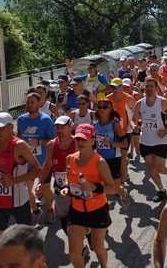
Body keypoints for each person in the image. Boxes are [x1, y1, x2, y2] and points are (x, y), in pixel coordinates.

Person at [0, 112, 42, 268]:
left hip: (19, 203)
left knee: (27, 246)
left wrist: (14, 181)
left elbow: (37, 170)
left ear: (10, 127)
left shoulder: (19, 145)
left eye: (0, 129)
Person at [59, 123, 115, 268]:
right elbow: (68, 177)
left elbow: (112, 188)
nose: (80, 142)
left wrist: (94, 187)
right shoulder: (70, 159)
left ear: (93, 140)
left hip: (97, 209)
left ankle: (104, 265)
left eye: (84, 139)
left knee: (98, 248)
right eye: (78, 139)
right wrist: (66, 187)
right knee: (73, 252)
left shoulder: (99, 162)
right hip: (76, 209)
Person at [132, 77, 167, 202]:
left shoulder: (162, 102)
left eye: (151, 87)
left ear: (156, 88)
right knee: (151, 167)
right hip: (146, 140)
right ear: (144, 88)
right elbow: (133, 118)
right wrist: (134, 126)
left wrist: (166, 130)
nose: (149, 89)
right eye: (147, 87)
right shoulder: (140, 103)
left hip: (160, 140)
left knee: (159, 168)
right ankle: (161, 191)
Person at [17, 92, 57, 225]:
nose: (29, 105)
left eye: (32, 102)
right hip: (27, 162)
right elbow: (18, 137)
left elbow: (53, 140)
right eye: (28, 102)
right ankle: (35, 211)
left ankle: (50, 210)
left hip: (44, 161)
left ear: (39, 103)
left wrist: (39, 142)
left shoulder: (46, 120)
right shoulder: (21, 119)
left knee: (45, 187)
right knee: (26, 189)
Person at [93, 99, 130, 210]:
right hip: (99, 159)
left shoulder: (115, 125)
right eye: (99, 107)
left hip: (113, 158)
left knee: (115, 189)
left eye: (105, 107)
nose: (101, 109)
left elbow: (125, 143)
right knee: (99, 186)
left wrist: (111, 143)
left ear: (110, 109)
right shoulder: (95, 124)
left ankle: (123, 193)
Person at [106, 77, 136, 184]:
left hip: (125, 131)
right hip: (111, 131)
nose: (114, 89)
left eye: (117, 87)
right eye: (112, 87)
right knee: (113, 156)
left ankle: (121, 181)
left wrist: (134, 124)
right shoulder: (108, 99)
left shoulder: (129, 99)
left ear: (122, 87)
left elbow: (136, 113)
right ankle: (121, 175)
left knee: (123, 157)